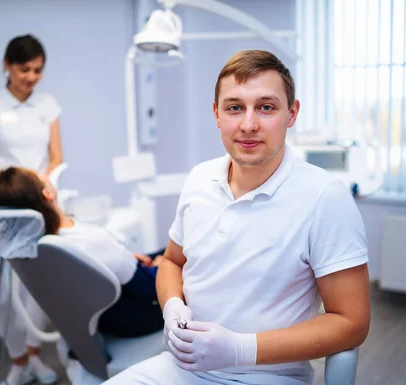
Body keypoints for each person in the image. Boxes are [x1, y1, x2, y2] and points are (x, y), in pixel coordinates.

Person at [102, 50, 371, 385]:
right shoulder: (200, 179)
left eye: (266, 107)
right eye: (234, 108)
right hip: (178, 368)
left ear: (292, 113)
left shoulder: (325, 197)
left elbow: (351, 322)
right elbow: (172, 261)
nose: (248, 124)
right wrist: (171, 304)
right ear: (217, 114)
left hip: (267, 377)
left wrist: (241, 349)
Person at [0, 166, 166, 383]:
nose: (44, 173)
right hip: (133, 318)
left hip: (102, 317)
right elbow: (148, 287)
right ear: (47, 193)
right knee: (182, 255)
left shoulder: (41, 247)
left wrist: (128, 258)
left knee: (165, 254)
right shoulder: (91, 240)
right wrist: (164, 266)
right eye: (37, 174)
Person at [0, 34, 63, 385]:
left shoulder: (48, 105)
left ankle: (37, 357)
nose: (31, 76)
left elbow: (56, 156)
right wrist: (19, 194)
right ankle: (19, 361)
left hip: (44, 206)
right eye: (24, 68)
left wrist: (44, 189)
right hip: (6, 208)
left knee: (42, 290)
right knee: (6, 294)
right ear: (7, 66)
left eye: (38, 70)